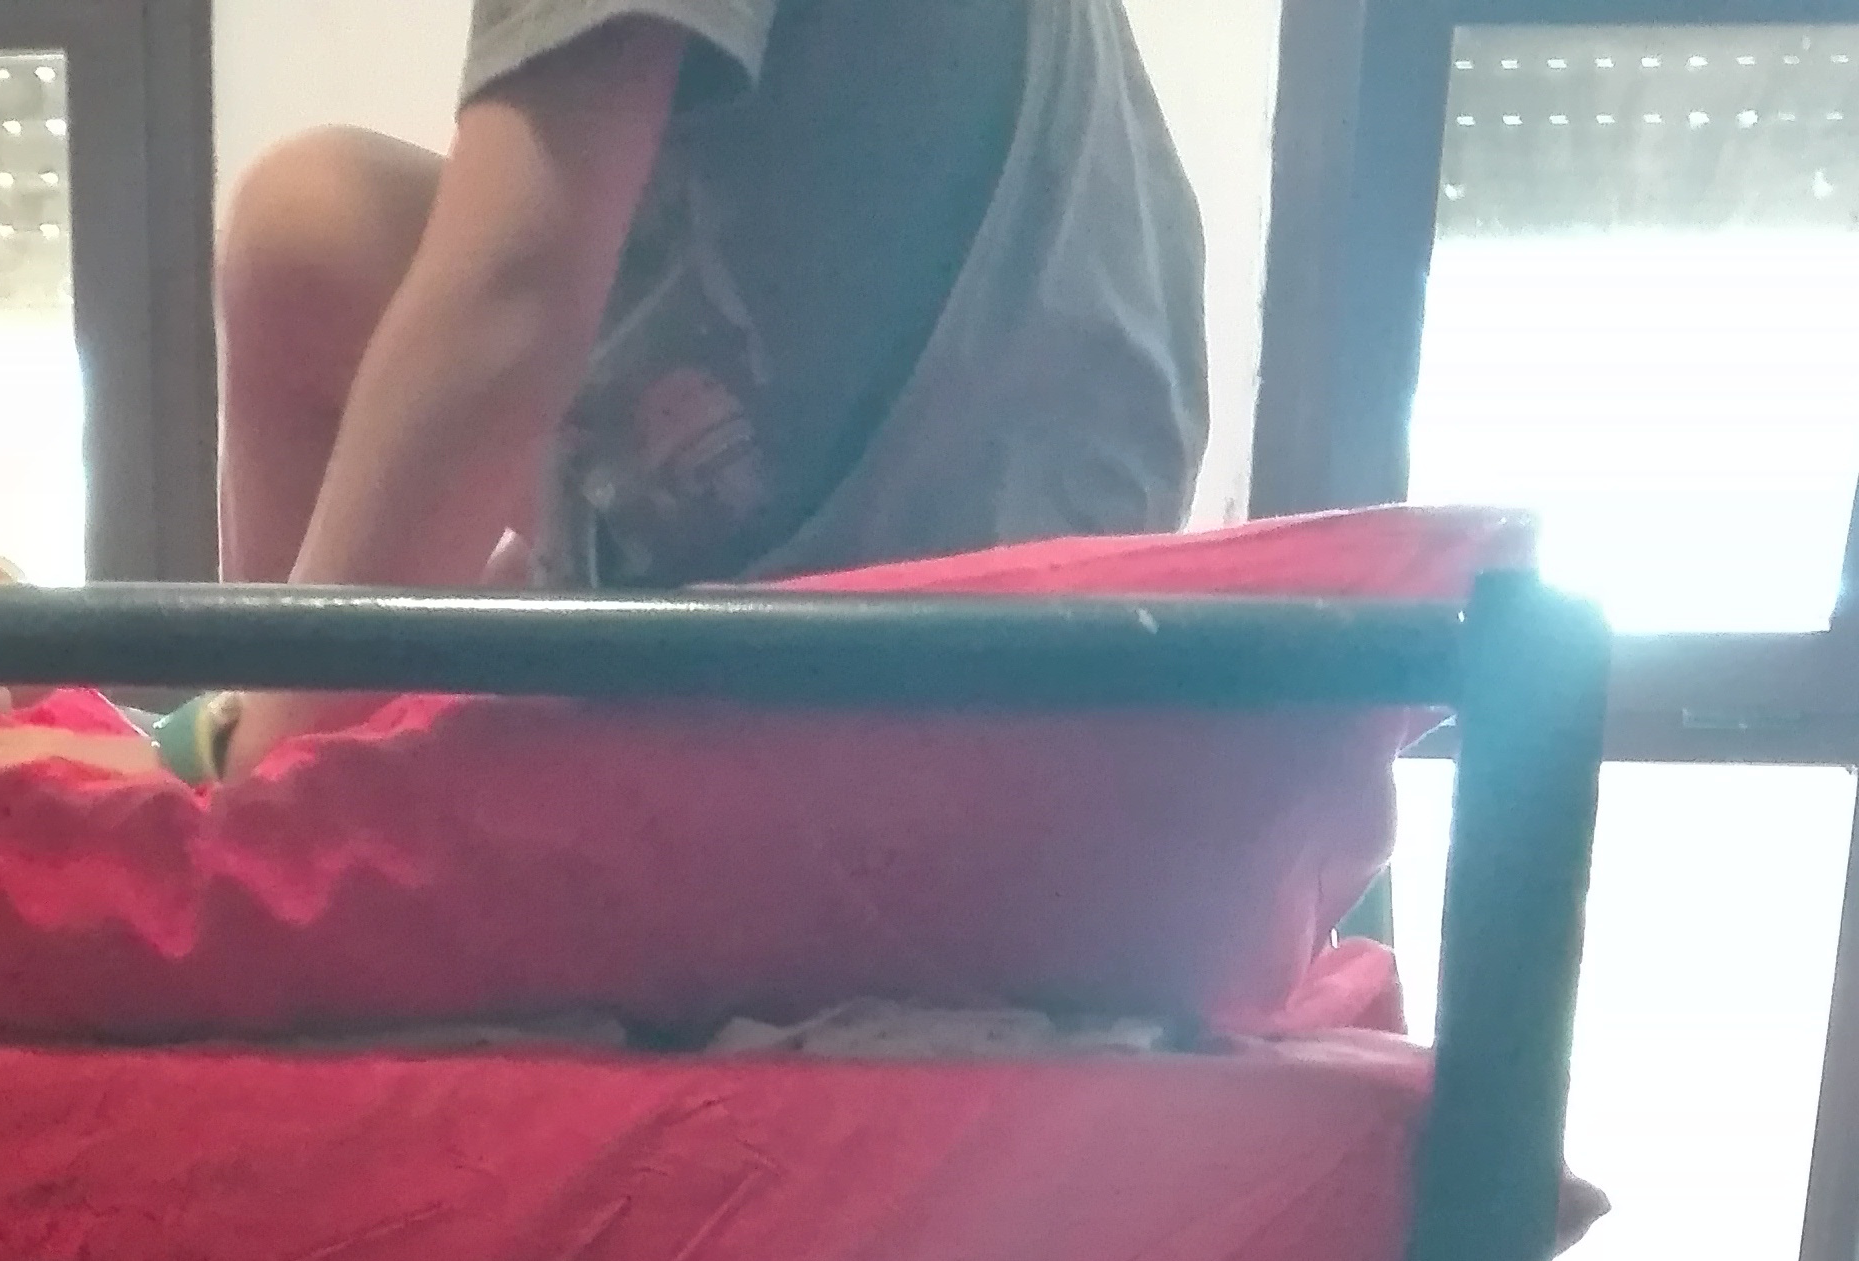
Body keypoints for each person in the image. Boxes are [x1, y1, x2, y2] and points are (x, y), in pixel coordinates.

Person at [213, 0, 1208, 775]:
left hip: (894, 610)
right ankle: (299, 735)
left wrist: (250, 753)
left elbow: (510, 303)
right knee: (311, 232)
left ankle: (276, 808)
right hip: (1052, 531)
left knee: (300, 231)